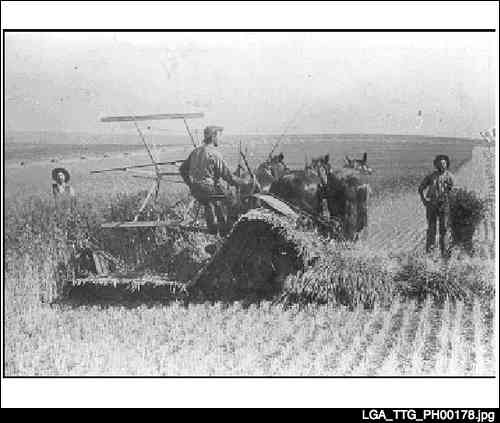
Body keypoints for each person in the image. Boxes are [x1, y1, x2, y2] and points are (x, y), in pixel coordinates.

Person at [179, 126, 254, 235]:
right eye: (219, 136)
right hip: (208, 189)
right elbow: (229, 178)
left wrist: (191, 184)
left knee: (212, 201)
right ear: (213, 136)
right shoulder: (214, 154)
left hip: (196, 190)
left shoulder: (195, 151)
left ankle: (213, 228)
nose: (220, 139)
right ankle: (228, 232)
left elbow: (182, 169)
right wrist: (245, 182)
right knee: (232, 201)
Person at [418, 154, 455, 257]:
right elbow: (420, 188)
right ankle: (429, 255)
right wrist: (424, 200)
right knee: (431, 230)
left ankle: (444, 255)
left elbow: (453, 192)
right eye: (440, 163)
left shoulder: (450, 177)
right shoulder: (431, 176)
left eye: (444, 163)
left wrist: (449, 204)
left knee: (443, 231)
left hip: (444, 206)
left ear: (447, 164)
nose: (442, 165)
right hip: (432, 206)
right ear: (436, 165)